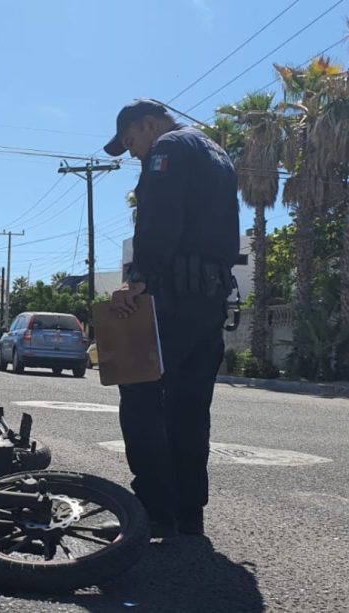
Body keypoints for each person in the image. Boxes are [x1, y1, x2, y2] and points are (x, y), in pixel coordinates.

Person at [104, 99, 239, 538]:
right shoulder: (217, 153)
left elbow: (160, 221)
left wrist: (138, 279)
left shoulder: (169, 148)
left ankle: (153, 510)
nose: (135, 154)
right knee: (190, 408)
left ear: (149, 125)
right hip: (210, 299)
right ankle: (188, 512)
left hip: (172, 299)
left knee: (142, 400)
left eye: (131, 143)